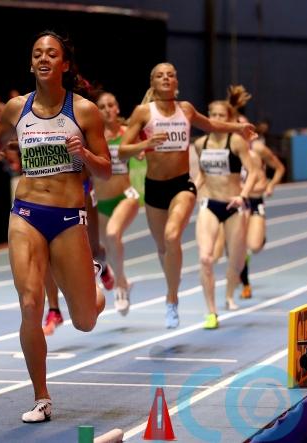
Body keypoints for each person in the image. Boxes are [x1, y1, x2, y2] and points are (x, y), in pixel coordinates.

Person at [0, 31, 110, 424]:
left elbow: (105, 169)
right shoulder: (17, 108)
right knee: (30, 304)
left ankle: (92, 287)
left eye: (51, 54)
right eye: (37, 54)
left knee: (85, 321)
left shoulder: (84, 111)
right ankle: (42, 398)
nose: (44, 59)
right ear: (31, 64)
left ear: (64, 64)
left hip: (67, 218)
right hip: (26, 213)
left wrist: (84, 155)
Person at [119, 62, 255, 328]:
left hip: (182, 185)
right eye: (160, 75)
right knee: (162, 248)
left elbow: (211, 124)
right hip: (154, 187)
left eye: (170, 75)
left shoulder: (186, 110)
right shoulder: (143, 112)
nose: (166, 78)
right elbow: (123, 151)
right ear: (153, 83)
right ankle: (173, 288)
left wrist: (237, 128)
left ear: (176, 82)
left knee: (172, 236)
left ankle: (171, 298)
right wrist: (146, 143)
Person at [193, 95, 259, 329]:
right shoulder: (201, 144)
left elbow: (252, 172)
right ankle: (211, 312)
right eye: (213, 115)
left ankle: (229, 295)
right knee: (205, 258)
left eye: (221, 115)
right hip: (210, 204)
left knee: (236, 259)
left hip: (234, 207)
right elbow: (202, 174)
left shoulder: (237, 142)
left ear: (229, 118)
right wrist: (191, 191)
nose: (217, 118)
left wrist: (243, 196)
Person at [227, 87, 286, 299]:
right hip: (236, 203)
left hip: (254, 201)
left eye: (242, 127)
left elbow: (279, 168)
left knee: (254, 245)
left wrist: (271, 185)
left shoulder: (258, 149)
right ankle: (245, 283)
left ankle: (259, 239)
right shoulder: (228, 149)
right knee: (237, 244)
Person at [91, 91, 140, 315]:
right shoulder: (93, 138)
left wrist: (140, 148)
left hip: (126, 196)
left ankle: (120, 286)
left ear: (117, 108)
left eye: (111, 105)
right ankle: (123, 280)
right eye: (102, 107)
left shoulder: (127, 133)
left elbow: (141, 151)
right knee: (107, 248)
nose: (108, 110)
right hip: (100, 203)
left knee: (112, 234)